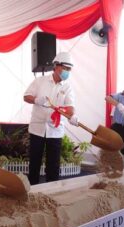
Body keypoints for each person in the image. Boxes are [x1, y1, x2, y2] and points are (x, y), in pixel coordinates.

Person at [24, 52, 78, 185]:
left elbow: (70, 108)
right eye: (64, 68)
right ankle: (32, 191)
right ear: (55, 66)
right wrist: (37, 100)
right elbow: (26, 96)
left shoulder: (68, 87)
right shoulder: (40, 81)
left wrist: (72, 116)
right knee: (34, 162)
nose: (66, 71)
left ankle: (52, 191)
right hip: (37, 128)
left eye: (69, 69)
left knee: (53, 165)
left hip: (55, 130)